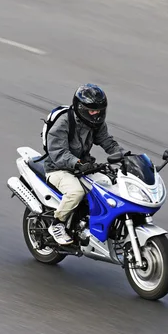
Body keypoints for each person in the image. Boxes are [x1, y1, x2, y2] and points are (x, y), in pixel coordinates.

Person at [44, 83, 124, 245]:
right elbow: (58, 152)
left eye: (100, 111)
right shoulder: (64, 122)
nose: (97, 115)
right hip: (57, 168)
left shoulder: (96, 123)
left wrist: (125, 157)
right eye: (93, 111)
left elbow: (107, 141)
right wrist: (78, 163)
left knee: (111, 185)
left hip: (83, 166)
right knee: (76, 192)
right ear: (81, 108)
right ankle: (57, 224)